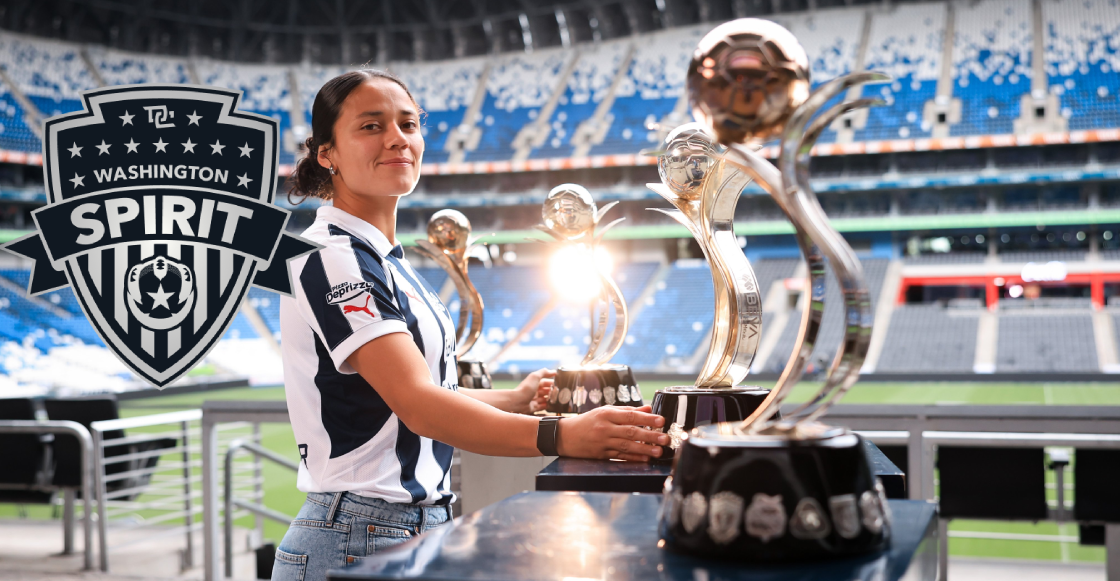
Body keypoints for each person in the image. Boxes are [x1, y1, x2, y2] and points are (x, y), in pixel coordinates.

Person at [273, 69, 670, 581]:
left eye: (408, 124)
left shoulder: (381, 258)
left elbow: (418, 395)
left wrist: (514, 399)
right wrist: (566, 434)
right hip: (356, 533)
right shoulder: (332, 257)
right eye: (371, 126)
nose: (398, 138)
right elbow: (419, 407)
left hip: (400, 527)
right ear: (326, 153)